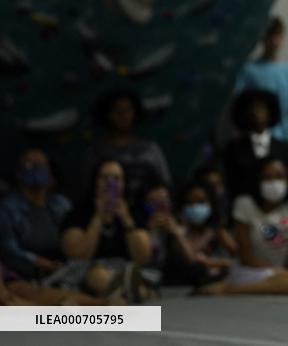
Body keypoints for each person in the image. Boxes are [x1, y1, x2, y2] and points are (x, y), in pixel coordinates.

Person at [196, 157, 288, 296]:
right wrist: (280, 274)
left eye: (279, 177)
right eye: (267, 178)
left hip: (282, 272)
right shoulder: (244, 204)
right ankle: (235, 289)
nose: (274, 183)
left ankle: (235, 289)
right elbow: (245, 256)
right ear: (258, 181)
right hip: (251, 270)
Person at [59, 159, 155, 302]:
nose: (111, 184)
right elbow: (78, 255)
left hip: (125, 270)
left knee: (136, 276)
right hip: (89, 270)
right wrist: (98, 218)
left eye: (117, 178)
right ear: (95, 182)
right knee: (96, 274)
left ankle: (124, 293)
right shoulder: (78, 214)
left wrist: (126, 220)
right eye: (104, 178)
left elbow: (143, 257)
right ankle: (129, 293)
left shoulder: (134, 213)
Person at [82, 89, 171, 207]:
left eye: (128, 110)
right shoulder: (96, 150)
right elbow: (86, 188)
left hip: (147, 211)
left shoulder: (150, 149)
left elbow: (165, 184)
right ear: (107, 114)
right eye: (117, 110)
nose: (123, 115)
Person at [0, 149, 73, 281]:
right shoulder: (8, 209)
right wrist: (44, 264)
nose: (36, 170)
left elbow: (75, 237)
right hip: (25, 274)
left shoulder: (61, 204)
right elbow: (9, 250)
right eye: (30, 165)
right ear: (19, 173)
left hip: (65, 269)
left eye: (41, 166)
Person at [234, 17, 288, 150]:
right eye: (270, 35)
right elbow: (241, 105)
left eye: (278, 35)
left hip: (283, 140)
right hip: (256, 139)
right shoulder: (248, 69)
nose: (274, 41)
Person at [224, 88, 288, 201]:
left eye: (261, 108)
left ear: (270, 112)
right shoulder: (234, 147)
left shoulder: (282, 147)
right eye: (252, 108)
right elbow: (231, 182)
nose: (256, 112)